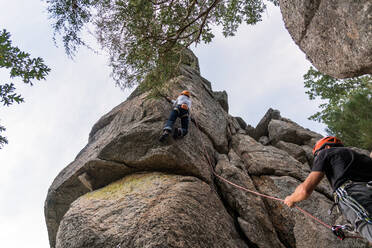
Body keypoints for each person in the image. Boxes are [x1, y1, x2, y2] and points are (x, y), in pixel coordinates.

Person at [284, 136, 372, 242]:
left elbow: (305, 190)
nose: (317, 158)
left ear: (327, 147)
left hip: (353, 194)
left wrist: (291, 198)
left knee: (365, 224)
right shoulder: (361, 157)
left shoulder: (325, 153)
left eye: (316, 156)